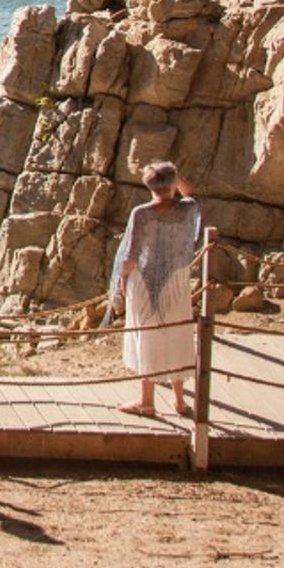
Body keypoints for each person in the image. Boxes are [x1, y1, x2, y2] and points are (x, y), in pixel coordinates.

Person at [109, 161, 199, 418]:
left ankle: (146, 402)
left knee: (147, 336)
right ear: (172, 184)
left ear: (148, 185)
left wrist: (123, 279)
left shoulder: (142, 212)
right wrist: (176, 177)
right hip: (177, 280)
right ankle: (179, 401)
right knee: (177, 333)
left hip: (145, 281)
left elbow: (131, 254)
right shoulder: (186, 210)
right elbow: (192, 194)